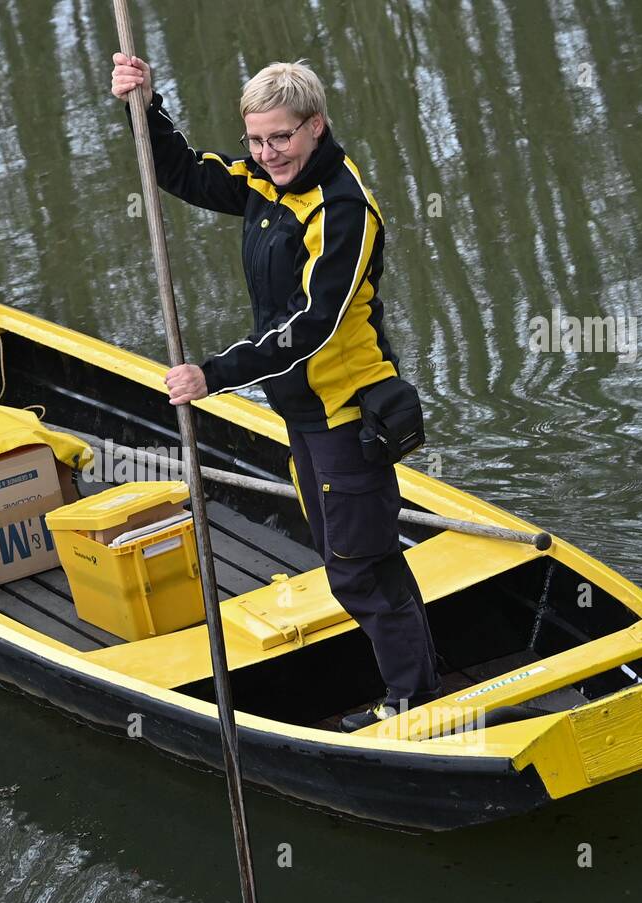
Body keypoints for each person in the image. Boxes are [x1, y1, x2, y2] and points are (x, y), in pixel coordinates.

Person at [110, 54, 441, 731]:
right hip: (301, 413)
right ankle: (421, 681)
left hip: (347, 414)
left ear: (315, 127)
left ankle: (413, 703)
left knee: (357, 572)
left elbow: (312, 326)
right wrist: (144, 105)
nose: (266, 154)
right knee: (362, 559)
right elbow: (183, 171)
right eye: (256, 141)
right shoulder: (263, 183)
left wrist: (214, 373)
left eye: (281, 139)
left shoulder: (345, 209)